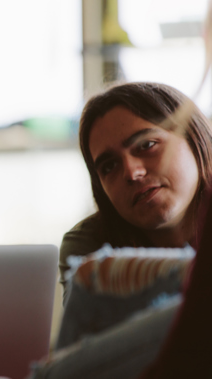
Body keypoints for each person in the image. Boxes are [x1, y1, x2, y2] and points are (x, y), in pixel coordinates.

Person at [58, 82, 212, 299]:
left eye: (147, 145)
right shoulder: (89, 248)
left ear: (194, 138)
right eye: (109, 166)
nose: (132, 173)